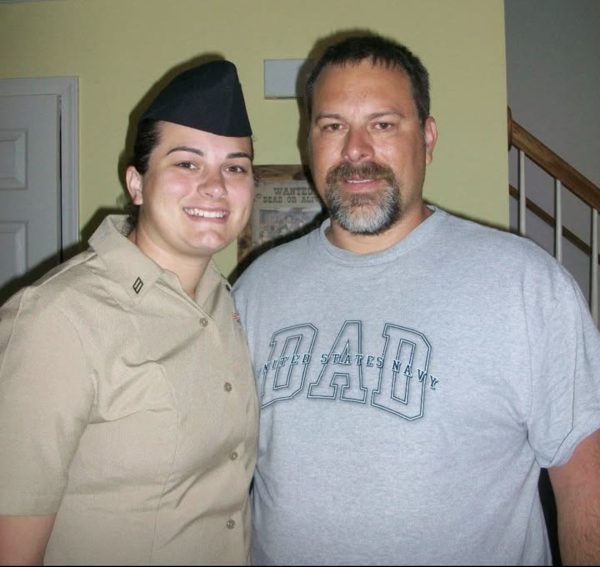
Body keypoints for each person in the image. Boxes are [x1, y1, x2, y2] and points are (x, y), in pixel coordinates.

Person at [232, 33, 600, 565]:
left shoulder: (523, 285)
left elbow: (585, 476)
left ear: (427, 139)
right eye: (333, 126)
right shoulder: (258, 288)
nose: (355, 150)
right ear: (308, 141)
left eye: (383, 125)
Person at [0, 59, 258, 565]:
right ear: (137, 184)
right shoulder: (58, 320)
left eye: (236, 167)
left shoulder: (226, 302)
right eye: (187, 163)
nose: (215, 185)